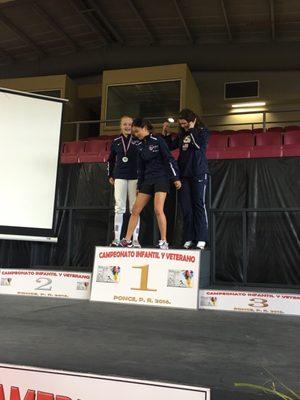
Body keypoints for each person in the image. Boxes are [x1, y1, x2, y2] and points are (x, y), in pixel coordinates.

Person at [119, 118, 181, 250]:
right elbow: (140, 168)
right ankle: (127, 239)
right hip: (147, 180)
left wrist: (175, 177)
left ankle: (164, 240)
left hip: (161, 178)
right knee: (135, 210)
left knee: (158, 209)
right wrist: (139, 185)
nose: (136, 134)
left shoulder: (158, 141)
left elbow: (169, 159)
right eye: (134, 133)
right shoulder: (139, 145)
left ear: (145, 128)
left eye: (137, 131)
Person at [162, 108, 209, 250]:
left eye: (185, 123)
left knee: (199, 206)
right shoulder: (182, 134)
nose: (183, 126)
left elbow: (198, 145)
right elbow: (169, 147)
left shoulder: (202, 131)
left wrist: (192, 129)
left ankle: (201, 238)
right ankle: (189, 238)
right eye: (181, 124)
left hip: (198, 173)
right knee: (186, 208)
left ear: (192, 120)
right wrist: (165, 135)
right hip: (183, 175)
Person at [107, 115, 142, 247]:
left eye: (129, 124)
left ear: (133, 126)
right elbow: (110, 159)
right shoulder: (116, 141)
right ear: (120, 126)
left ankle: (135, 239)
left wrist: (141, 178)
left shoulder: (138, 140)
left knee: (135, 209)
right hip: (120, 176)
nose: (127, 127)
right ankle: (116, 239)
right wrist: (110, 175)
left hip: (134, 177)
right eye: (125, 124)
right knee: (119, 207)